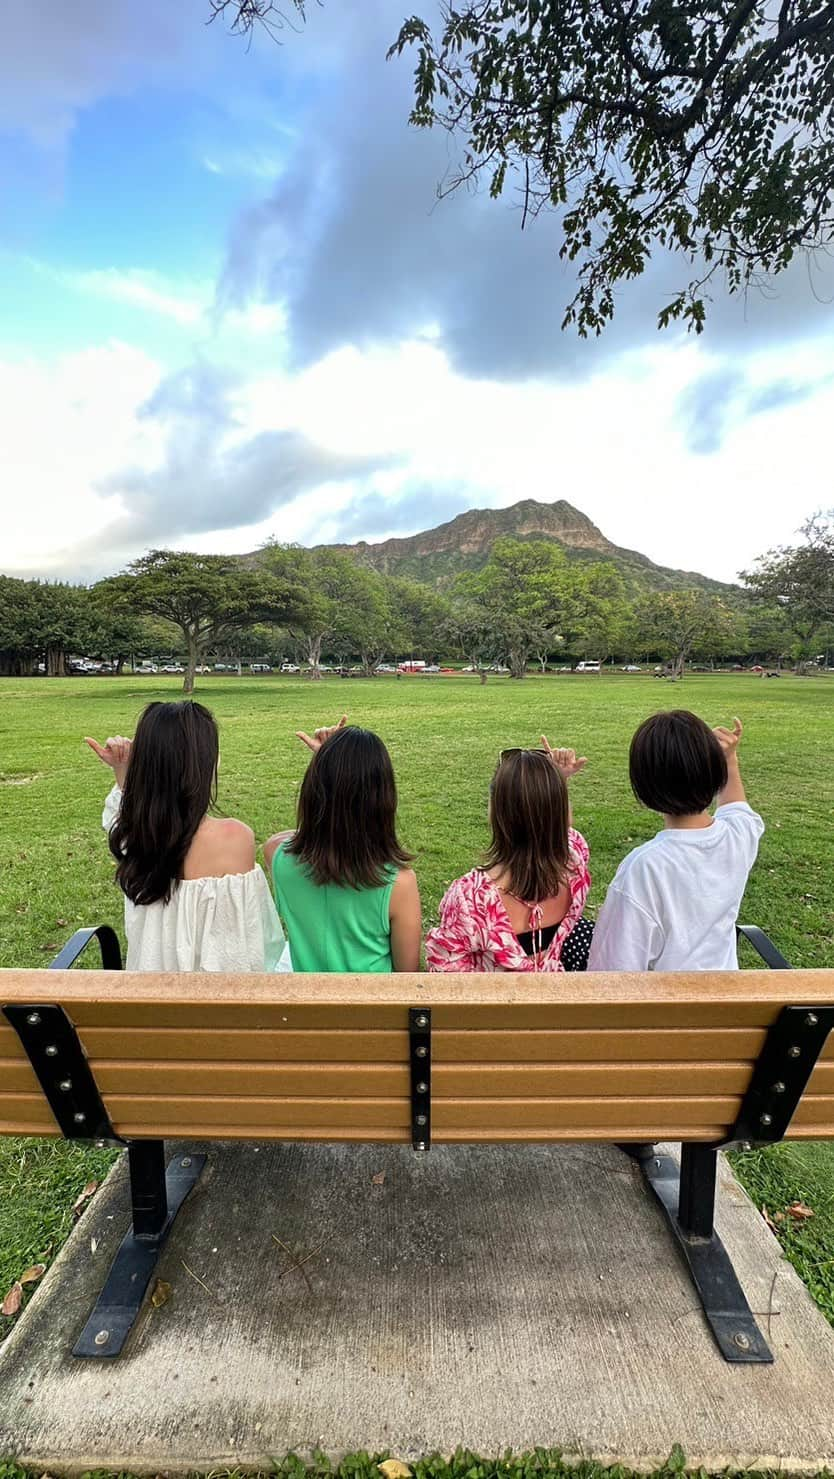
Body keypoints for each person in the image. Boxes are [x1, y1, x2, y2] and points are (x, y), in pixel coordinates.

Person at [85, 701, 283, 972]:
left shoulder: (134, 839)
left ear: (145, 765)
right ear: (207, 762)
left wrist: (123, 771)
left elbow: (120, 816)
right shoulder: (234, 838)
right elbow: (245, 952)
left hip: (149, 1004)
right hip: (216, 1008)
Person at [588, 711, 764, 972]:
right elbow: (737, 808)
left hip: (669, 1008)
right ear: (715, 773)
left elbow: (611, 972)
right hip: (726, 999)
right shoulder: (739, 838)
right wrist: (729, 759)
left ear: (644, 785)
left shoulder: (645, 867)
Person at [264, 716, 421, 972]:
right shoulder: (398, 882)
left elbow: (283, 839)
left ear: (313, 790)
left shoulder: (279, 857)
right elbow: (407, 976)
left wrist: (325, 765)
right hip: (371, 1009)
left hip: (303, 1008)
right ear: (383, 798)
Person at [425, 738, 593, 973]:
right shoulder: (574, 861)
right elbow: (559, 831)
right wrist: (555, 784)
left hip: (498, 1009)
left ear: (496, 812)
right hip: (557, 1003)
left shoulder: (471, 899)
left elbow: (445, 986)